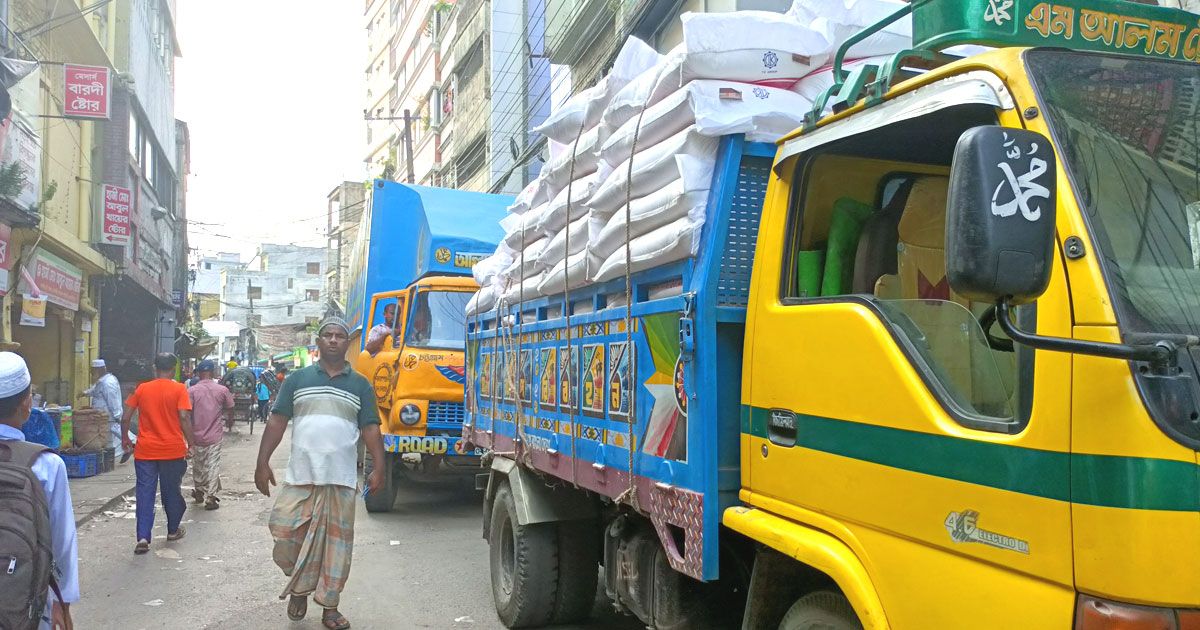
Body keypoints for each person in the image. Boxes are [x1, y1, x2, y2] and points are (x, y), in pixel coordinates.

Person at [255, 316, 385, 630]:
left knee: (337, 547)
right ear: (319, 340)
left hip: (340, 478)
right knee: (283, 531)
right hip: (301, 475)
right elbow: (276, 421)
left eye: (339, 336)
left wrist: (379, 466)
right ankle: (300, 585)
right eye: (327, 335)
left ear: (346, 343)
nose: (333, 340)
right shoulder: (297, 380)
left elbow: (370, 427)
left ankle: (330, 607)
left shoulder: (360, 385)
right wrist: (262, 462)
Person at [0, 352, 78, 630]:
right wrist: (62, 601)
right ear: (26, 405)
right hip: (28, 603)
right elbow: (62, 541)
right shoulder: (47, 464)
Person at [121, 353, 194, 555]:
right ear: (173, 369)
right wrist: (192, 443)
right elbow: (184, 417)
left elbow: (125, 417)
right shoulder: (179, 389)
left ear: (155, 368)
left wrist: (125, 438)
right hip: (172, 450)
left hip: (145, 451)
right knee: (171, 491)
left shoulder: (142, 389)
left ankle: (143, 537)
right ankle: (172, 530)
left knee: (145, 493)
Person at [187, 360, 233, 510]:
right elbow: (230, 407)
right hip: (214, 435)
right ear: (212, 373)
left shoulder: (192, 391)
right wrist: (229, 422)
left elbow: (185, 414)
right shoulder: (222, 390)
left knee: (198, 464)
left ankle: (199, 491)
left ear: (199, 373)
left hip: (196, 435)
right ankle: (211, 497)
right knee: (212, 465)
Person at [81, 359, 126, 462]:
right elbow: (95, 390)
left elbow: (113, 400)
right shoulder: (102, 381)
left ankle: (132, 444)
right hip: (102, 416)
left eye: (93, 371)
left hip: (108, 416)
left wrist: (117, 416)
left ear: (99, 370)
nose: (91, 374)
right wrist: (84, 393)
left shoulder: (108, 383)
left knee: (114, 432)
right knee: (109, 438)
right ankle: (112, 456)